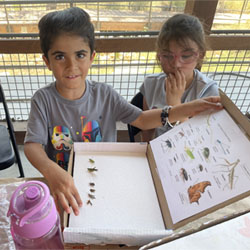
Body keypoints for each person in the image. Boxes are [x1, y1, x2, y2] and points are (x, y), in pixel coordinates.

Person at [24, 7, 223, 216]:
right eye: (59, 56)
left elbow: (143, 120)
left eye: (80, 54)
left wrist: (185, 108)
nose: (72, 65)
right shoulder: (43, 100)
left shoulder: (105, 95)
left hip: (104, 180)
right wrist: (50, 171)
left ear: (91, 57)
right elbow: (32, 146)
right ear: (47, 61)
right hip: (62, 186)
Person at [140, 14, 219, 142]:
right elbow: (147, 129)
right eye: (167, 55)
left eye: (186, 56)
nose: (176, 64)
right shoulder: (151, 84)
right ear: (159, 55)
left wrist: (175, 104)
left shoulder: (208, 91)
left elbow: (199, 142)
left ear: (200, 55)